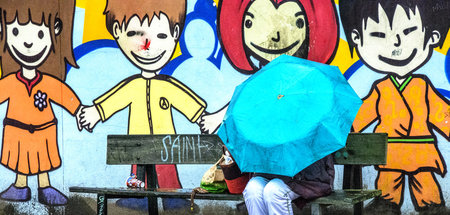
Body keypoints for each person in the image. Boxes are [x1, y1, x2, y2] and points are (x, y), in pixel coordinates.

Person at [79, 0, 207, 210]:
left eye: (162, 36)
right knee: (138, 169)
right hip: (136, 148)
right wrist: (95, 112)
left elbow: (189, 104)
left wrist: (205, 118)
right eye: (133, 35)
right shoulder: (132, 86)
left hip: (167, 148)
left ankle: (171, 197)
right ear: (118, 32)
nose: (148, 46)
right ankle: (138, 197)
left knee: (167, 174)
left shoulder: (168, 86)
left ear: (176, 33)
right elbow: (113, 100)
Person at [340, 0, 450, 213]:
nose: (396, 43)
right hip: (389, 151)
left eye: (409, 31)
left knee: (428, 194)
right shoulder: (381, 88)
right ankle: (387, 205)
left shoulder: (423, 86)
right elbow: (361, 115)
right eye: (379, 35)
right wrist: (344, 128)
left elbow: (441, 114)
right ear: (356, 39)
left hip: (421, 149)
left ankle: (430, 207)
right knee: (387, 195)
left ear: (431, 36)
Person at [200, 0, 339, 134]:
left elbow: (247, 102)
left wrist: (217, 118)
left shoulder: (303, 81)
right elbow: (248, 101)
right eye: (250, 23)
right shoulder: (272, 81)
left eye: (298, 22)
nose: (275, 37)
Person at [0, 0, 83, 206]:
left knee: (42, 159)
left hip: (43, 130)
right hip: (17, 130)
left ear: (55, 31)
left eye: (39, 34)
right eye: (17, 33)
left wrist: (79, 111)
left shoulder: (48, 82)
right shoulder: (10, 81)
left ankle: (44, 186)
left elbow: (64, 94)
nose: (28, 44)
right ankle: (20, 186)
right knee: (19, 159)